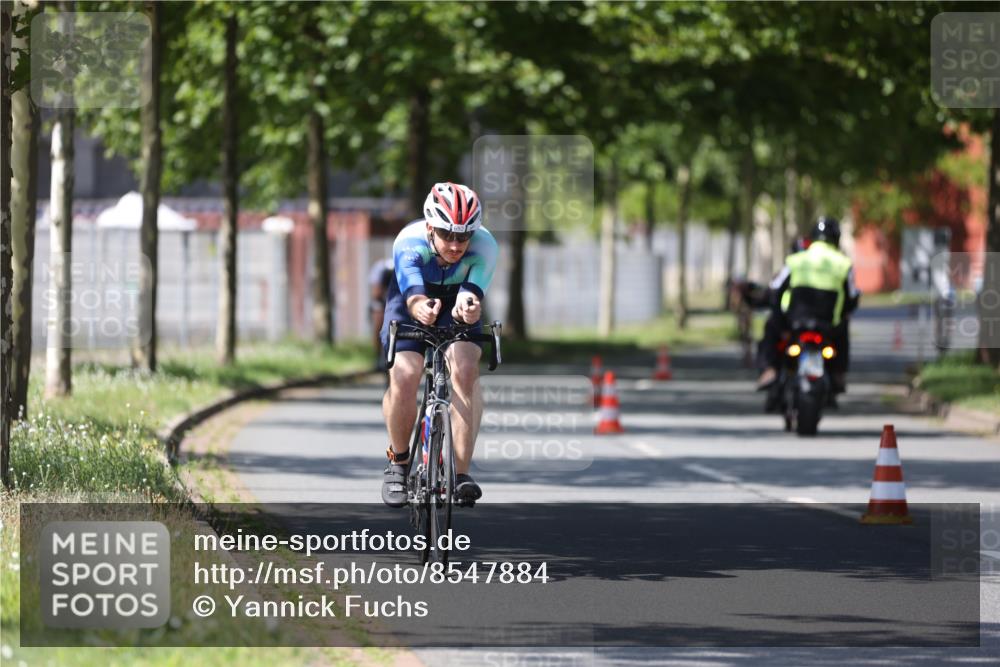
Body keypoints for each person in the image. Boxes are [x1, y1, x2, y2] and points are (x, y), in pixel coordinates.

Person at [379, 182, 498, 507]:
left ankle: (460, 474)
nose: (456, 245)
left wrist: (469, 306)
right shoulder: (409, 241)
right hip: (411, 297)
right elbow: (413, 293)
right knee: (405, 374)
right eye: (447, 235)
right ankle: (398, 463)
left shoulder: (486, 246)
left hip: (457, 300)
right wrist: (419, 306)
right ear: (430, 227)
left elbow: (472, 291)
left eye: (464, 236)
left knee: (464, 368)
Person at [756, 217, 860, 392]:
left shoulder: (796, 260)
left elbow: (775, 289)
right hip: (828, 326)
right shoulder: (844, 264)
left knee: (771, 326)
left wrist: (779, 317)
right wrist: (843, 313)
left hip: (794, 322)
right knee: (844, 329)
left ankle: (769, 369)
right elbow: (852, 297)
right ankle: (838, 373)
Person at [368, 257, 395, 371]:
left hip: (398, 301)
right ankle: (377, 357)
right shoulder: (380, 268)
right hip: (382, 301)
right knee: (378, 323)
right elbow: (376, 292)